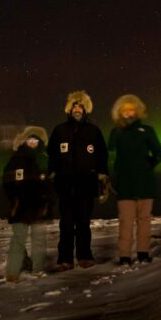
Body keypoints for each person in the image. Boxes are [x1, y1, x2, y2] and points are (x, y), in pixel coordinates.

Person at [47, 90, 109, 271]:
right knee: (66, 222)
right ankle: (65, 259)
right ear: (69, 109)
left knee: (83, 222)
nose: (77, 109)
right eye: (74, 106)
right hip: (65, 185)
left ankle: (84, 256)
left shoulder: (94, 131)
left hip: (86, 184)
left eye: (80, 106)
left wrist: (102, 175)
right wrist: (52, 173)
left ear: (85, 109)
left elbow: (102, 155)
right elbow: (52, 155)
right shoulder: (59, 130)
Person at [108, 94, 161, 265]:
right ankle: (124, 256)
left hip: (145, 184)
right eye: (125, 110)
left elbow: (159, 153)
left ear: (137, 111)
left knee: (144, 221)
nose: (128, 112)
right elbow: (110, 156)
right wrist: (110, 177)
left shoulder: (147, 131)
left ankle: (143, 254)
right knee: (125, 221)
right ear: (119, 112)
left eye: (131, 109)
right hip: (124, 184)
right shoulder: (116, 133)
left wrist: (148, 165)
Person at [2, 126, 52, 281]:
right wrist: (15, 199)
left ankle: (38, 270)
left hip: (39, 206)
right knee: (18, 239)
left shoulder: (45, 159)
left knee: (39, 240)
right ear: (25, 141)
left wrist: (48, 202)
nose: (32, 142)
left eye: (35, 140)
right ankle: (12, 273)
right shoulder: (16, 159)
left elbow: (51, 184)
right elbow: (7, 181)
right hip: (21, 207)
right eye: (30, 139)